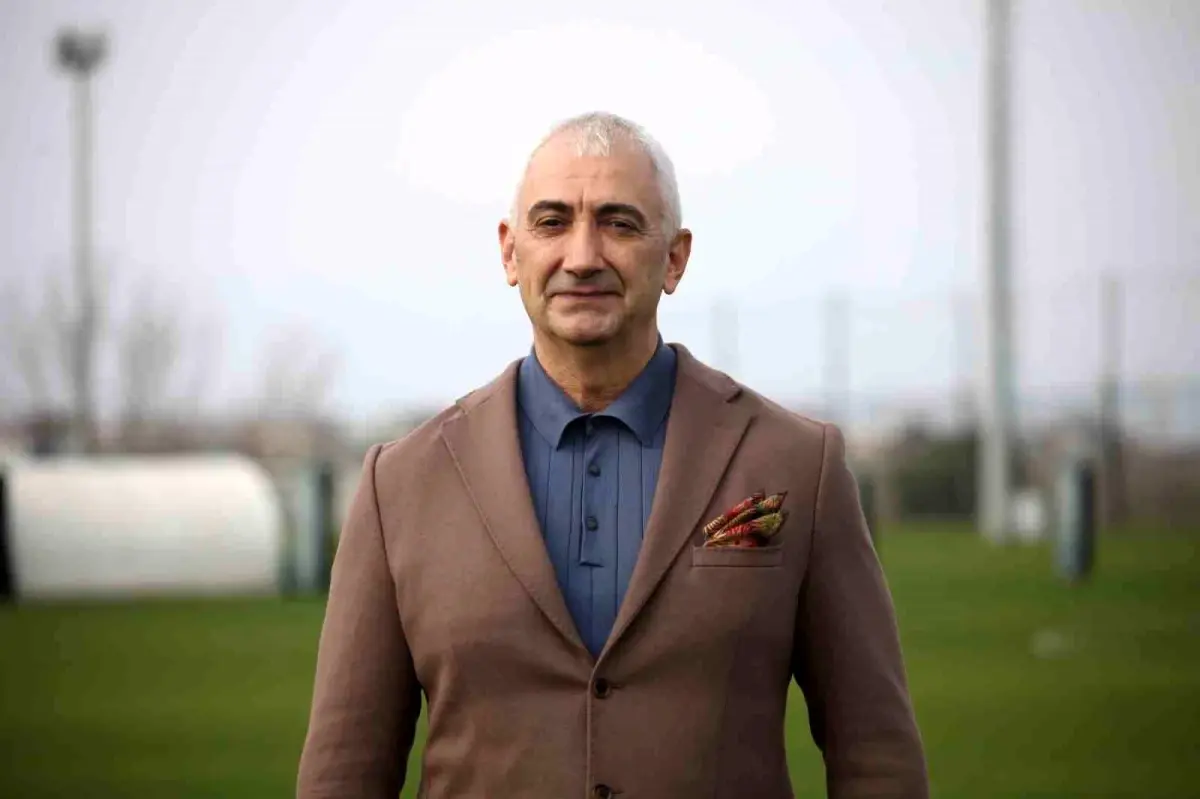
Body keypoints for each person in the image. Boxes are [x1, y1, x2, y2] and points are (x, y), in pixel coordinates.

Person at [296, 111, 928, 798]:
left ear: (675, 257)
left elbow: (876, 754)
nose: (583, 256)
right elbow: (343, 772)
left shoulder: (799, 464)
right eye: (552, 222)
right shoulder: (399, 484)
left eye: (619, 223)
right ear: (510, 252)